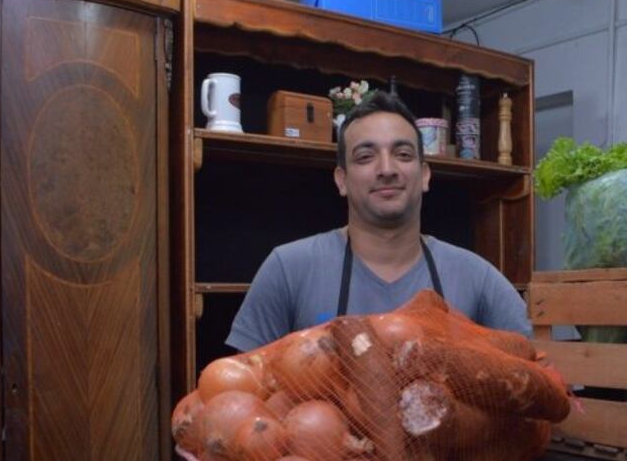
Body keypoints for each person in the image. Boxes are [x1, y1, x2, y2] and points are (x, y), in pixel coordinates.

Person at [226, 90, 531, 352]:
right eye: (365, 157)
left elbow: (538, 374)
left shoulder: (476, 278)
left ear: (424, 175)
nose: (387, 168)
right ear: (341, 180)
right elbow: (240, 397)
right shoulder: (288, 270)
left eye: (402, 154)